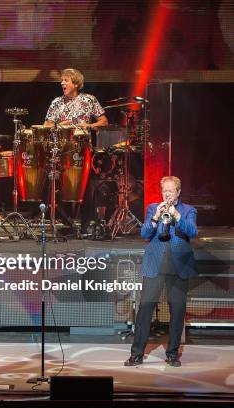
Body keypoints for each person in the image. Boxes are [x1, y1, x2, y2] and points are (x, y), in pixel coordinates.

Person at [124, 176, 198, 367]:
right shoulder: (152, 208)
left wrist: (177, 216)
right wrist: (156, 217)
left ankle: (172, 353)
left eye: (171, 191)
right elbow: (145, 234)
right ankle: (137, 354)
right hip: (155, 263)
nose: (167, 194)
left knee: (177, 310)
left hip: (179, 265)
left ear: (178, 192)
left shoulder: (189, 210)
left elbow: (193, 232)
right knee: (145, 308)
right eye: (164, 191)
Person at [44, 68, 108, 130]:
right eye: (62, 80)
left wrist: (89, 126)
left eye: (66, 80)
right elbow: (46, 126)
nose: (62, 83)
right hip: (62, 140)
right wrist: (60, 126)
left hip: (83, 139)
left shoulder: (89, 99)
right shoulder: (56, 102)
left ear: (76, 84)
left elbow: (104, 122)